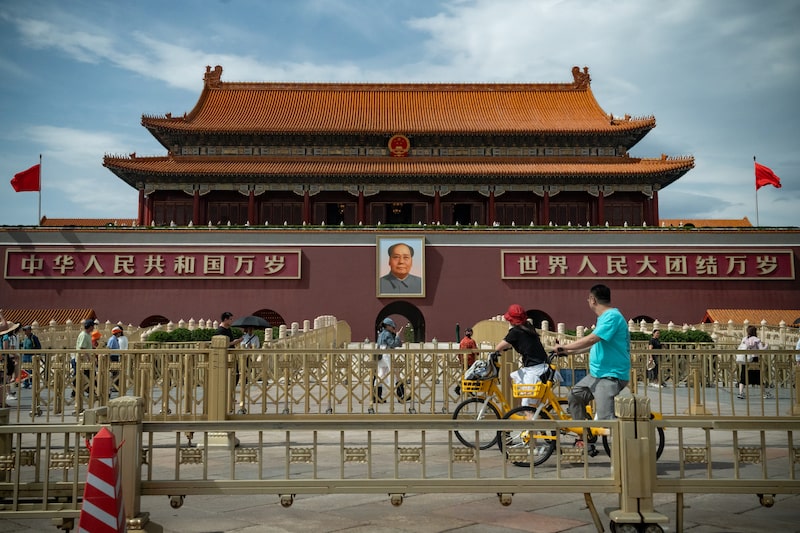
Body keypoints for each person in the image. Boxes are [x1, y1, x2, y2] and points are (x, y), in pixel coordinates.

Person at [556, 284, 631, 439]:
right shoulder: (604, 318)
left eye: (588, 299)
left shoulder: (612, 317)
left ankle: (625, 453)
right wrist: (570, 352)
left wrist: (564, 346)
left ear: (592, 300)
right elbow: (595, 344)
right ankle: (584, 437)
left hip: (610, 375)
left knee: (605, 420)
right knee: (574, 396)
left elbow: (592, 338)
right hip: (597, 375)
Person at [494, 304, 549, 407]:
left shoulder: (515, 332)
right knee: (512, 377)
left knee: (527, 406)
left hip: (535, 370)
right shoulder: (528, 327)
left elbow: (498, 348)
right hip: (541, 366)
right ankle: (530, 408)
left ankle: (529, 414)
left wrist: (496, 353)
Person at [374, 317, 409, 402]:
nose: (393, 328)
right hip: (386, 355)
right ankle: (402, 395)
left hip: (380, 355)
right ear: (388, 326)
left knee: (381, 375)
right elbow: (393, 344)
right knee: (395, 373)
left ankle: (376, 396)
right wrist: (397, 336)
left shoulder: (381, 333)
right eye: (392, 327)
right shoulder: (387, 334)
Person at [737, 325, 770, 399]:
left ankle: (740, 392)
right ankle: (764, 393)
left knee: (743, 376)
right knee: (758, 377)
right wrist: (766, 346)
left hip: (745, 359)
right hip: (754, 359)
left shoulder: (744, 339)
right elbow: (761, 350)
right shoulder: (756, 340)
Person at [455, 327, 479, 395]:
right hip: (470, 361)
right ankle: (468, 391)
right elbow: (475, 351)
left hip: (463, 361)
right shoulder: (471, 341)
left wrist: (460, 360)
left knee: (465, 375)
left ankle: (459, 388)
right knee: (470, 376)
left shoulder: (462, 341)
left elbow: (459, 352)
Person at [2, 321, 21, 401]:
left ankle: (8, 392)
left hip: (6, 357)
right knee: (6, 376)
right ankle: (8, 393)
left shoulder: (6, 336)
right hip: (5, 357)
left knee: (6, 376)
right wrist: (15, 355)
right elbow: (6, 348)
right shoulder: (6, 337)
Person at [20, 325, 41, 389]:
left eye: (25, 330)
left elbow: (38, 347)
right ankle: (25, 383)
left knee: (31, 370)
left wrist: (36, 355)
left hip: (31, 356)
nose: (24, 332)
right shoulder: (25, 338)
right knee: (25, 370)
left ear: (29, 330)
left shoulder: (34, 338)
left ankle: (32, 383)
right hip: (25, 355)